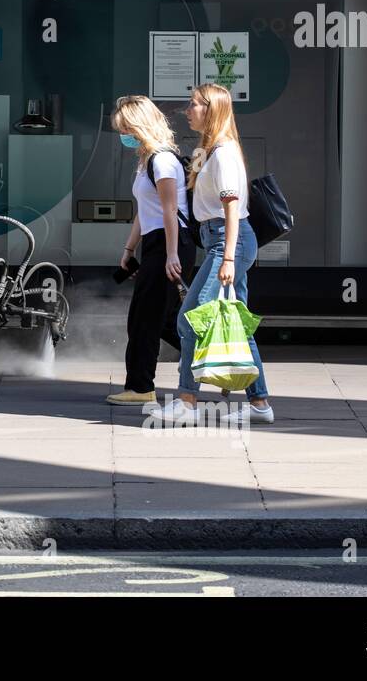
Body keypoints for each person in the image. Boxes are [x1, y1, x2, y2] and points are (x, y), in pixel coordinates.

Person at [149, 83, 274, 425]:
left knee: (192, 318)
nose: (188, 110)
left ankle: (187, 400)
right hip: (220, 239)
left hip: (227, 240)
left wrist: (229, 258)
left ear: (212, 110)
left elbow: (232, 208)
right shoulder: (211, 150)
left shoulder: (224, 154)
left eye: (193, 105)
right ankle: (260, 403)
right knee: (238, 324)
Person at [105, 96, 196, 406]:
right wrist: (130, 248)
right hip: (157, 242)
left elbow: (170, 210)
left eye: (126, 128)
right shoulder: (147, 160)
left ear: (139, 126)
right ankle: (213, 363)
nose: (123, 135)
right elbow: (145, 210)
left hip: (170, 243)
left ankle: (140, 387)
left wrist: (171, 255)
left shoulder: (163, 159)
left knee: (145, 318)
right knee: (166, 319)